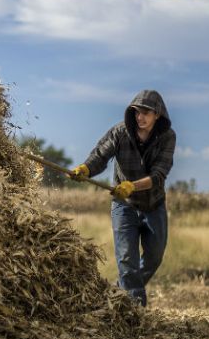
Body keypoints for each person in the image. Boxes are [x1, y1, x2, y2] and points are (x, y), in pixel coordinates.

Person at [69, 89, 175, 307]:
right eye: (136, 112)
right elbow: (100, 155)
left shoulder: (167, 137)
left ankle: (122, 289)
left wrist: (132, 186)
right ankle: (134, 310)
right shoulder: (120, 132)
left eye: (146, 113)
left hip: (153, 204)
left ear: (157, 115)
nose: (140, 117)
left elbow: (159, 174)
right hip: (124, 205)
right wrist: (86, 169)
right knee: (127, 259)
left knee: (154, 257)